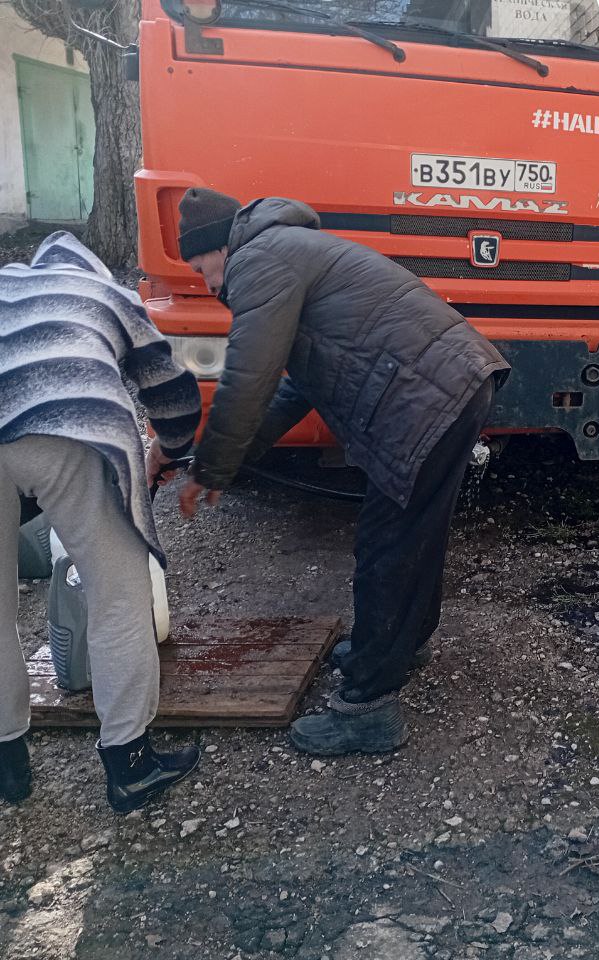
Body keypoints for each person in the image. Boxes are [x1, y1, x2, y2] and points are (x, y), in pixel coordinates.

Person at [174, 188, 509, 756]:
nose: (206, 284)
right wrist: (230, 462)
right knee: (413, 535)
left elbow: (247, 378)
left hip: (420, 397)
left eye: (200, 267)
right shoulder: (289, 249)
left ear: (218, 247)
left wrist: (210, 469)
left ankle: (368, 708)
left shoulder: (258, 259)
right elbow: (292, 388)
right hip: (454, 381)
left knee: (387, 546)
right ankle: (398, 645)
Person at [0, 233, 203, 813]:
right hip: (69, 423)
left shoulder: (7, 284)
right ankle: (130, 764)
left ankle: (8, 768)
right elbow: (172, 390)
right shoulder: (103, 291)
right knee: (118, 597)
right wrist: (172, 449)